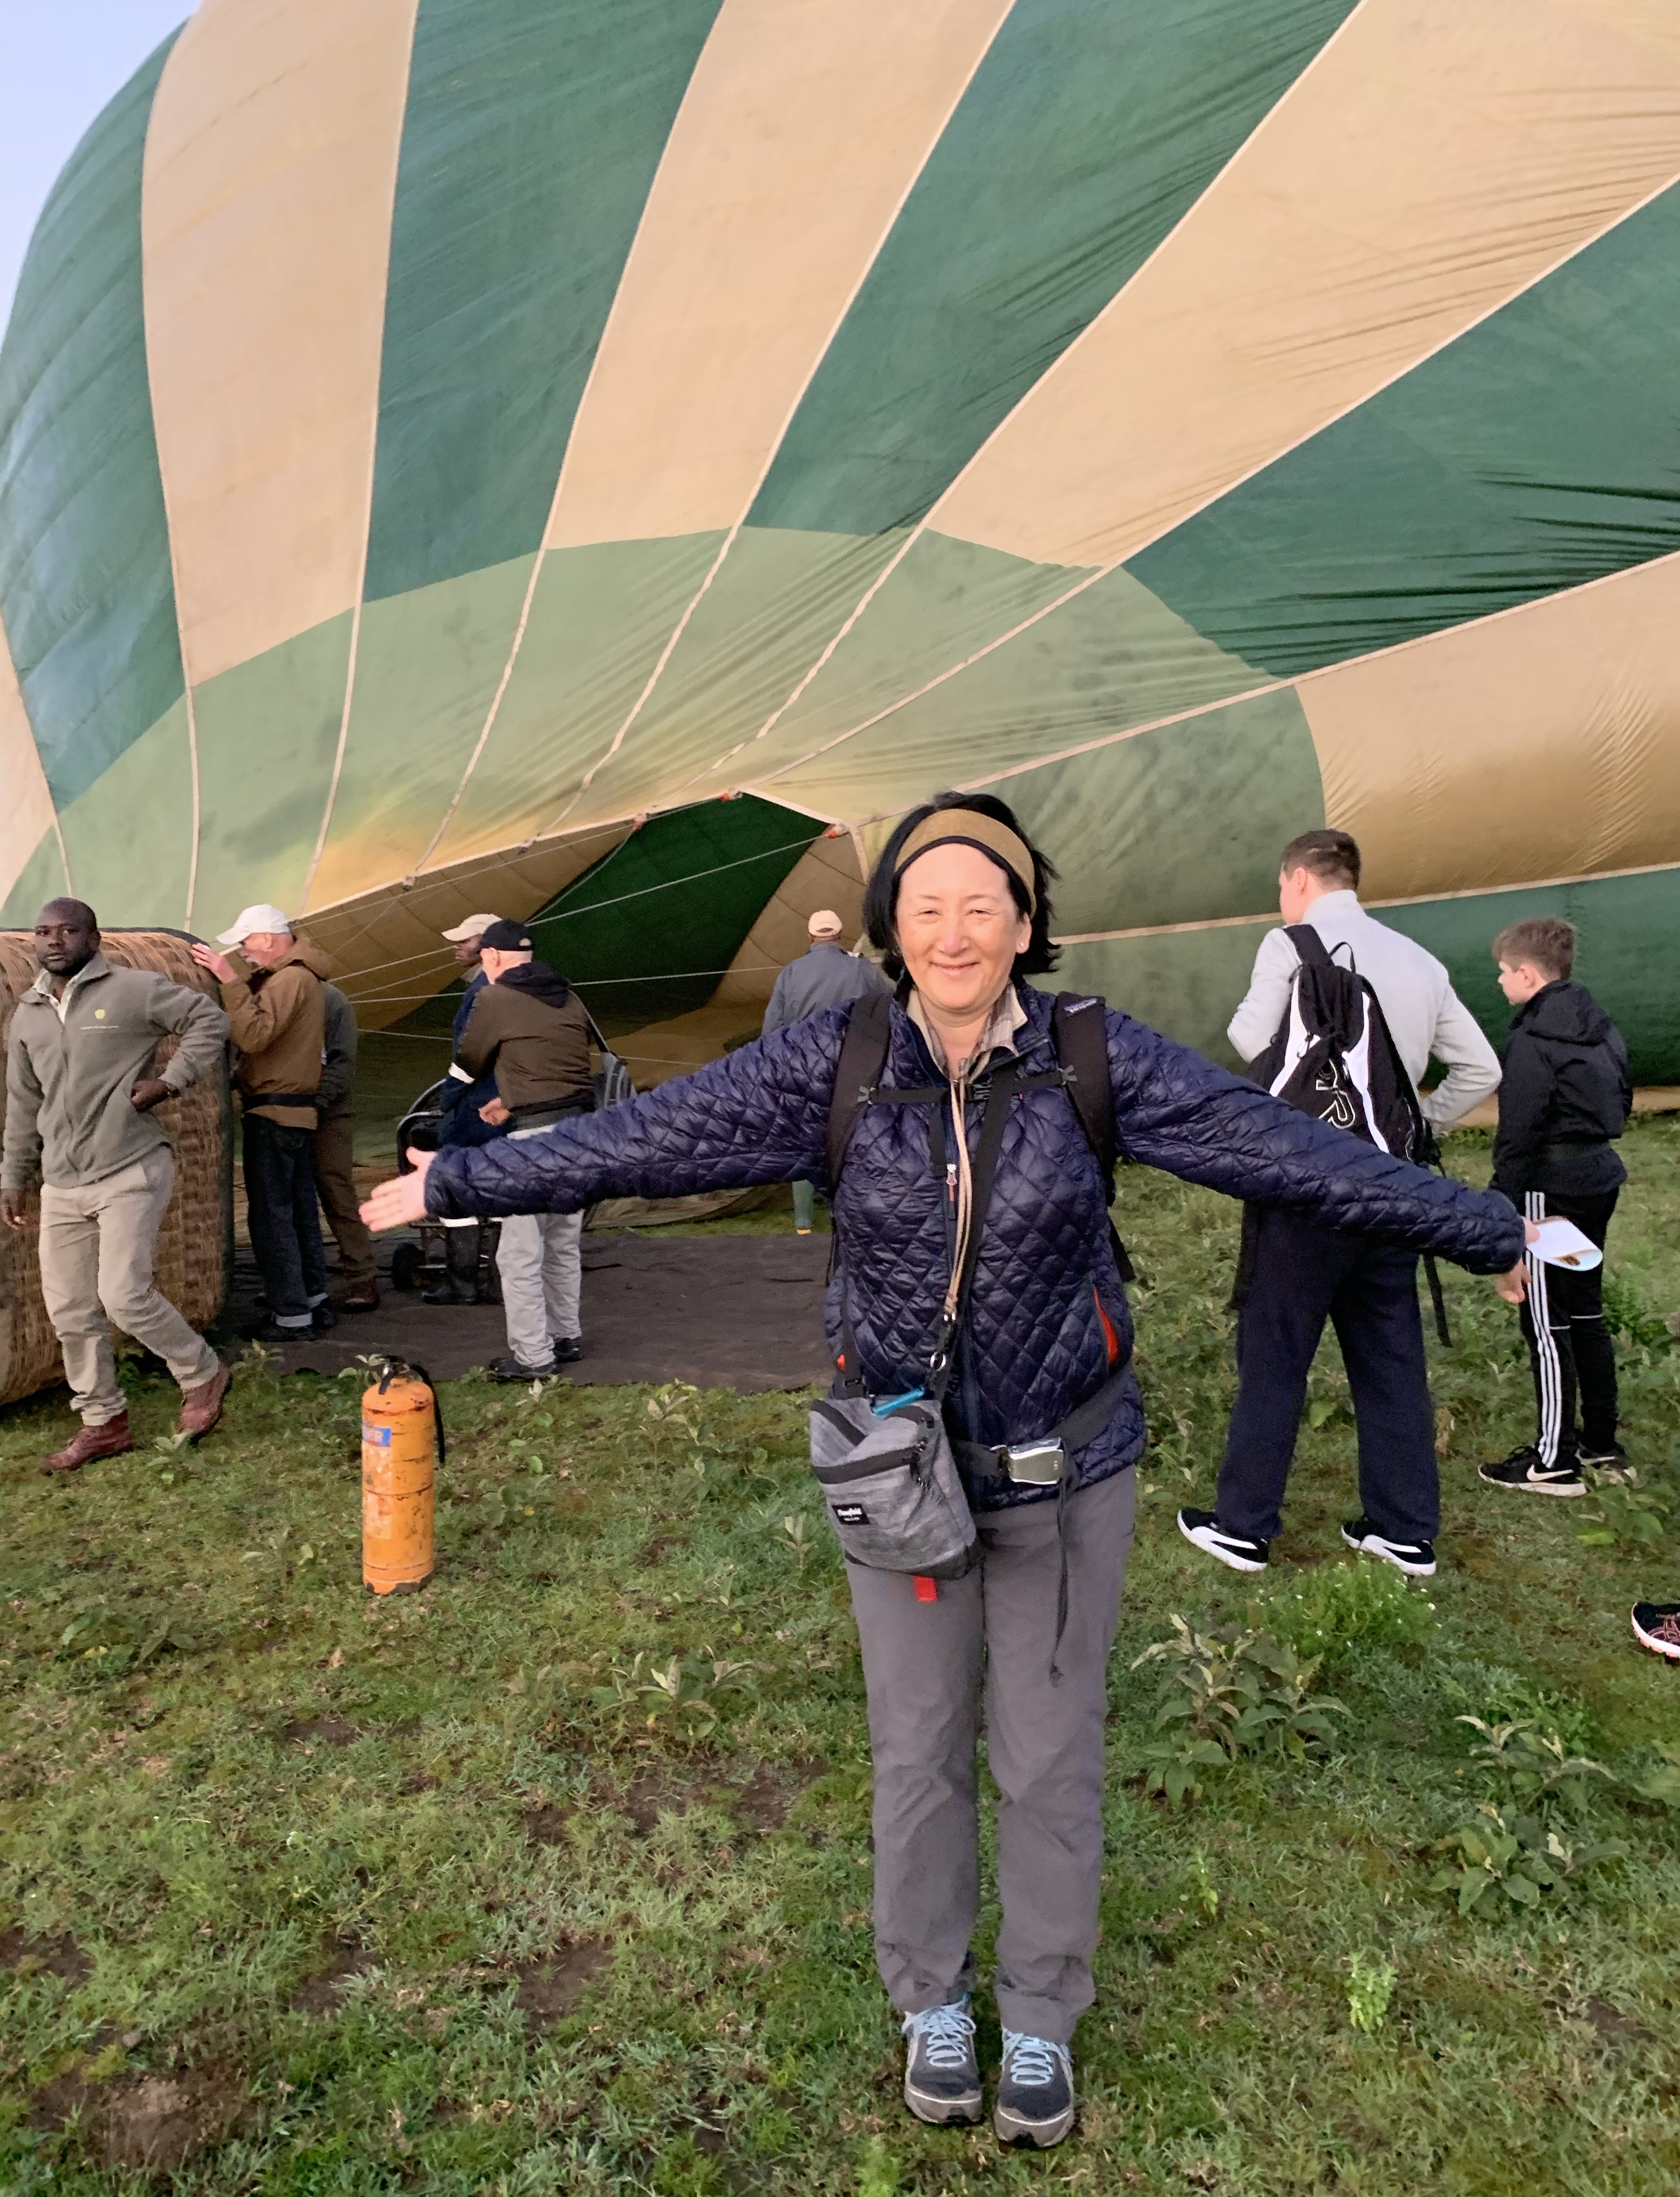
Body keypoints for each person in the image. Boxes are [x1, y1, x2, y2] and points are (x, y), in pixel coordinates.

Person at [364, 793, 1526, 2150]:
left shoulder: (1093, 1055)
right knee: (917, 1755)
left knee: (1049, 1758)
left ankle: (1039, 2016)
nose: (955, 931)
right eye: (928, 909)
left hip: (1066, 1470)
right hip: (903, 1475)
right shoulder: (840, 1059)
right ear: (893, 930)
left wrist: (1479, 1225)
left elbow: (1284, 1150)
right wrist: (464, 1182)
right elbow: (656, 1135)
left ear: (1026, 925)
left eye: (984, 906)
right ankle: (932, 2002)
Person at [1178, 828, 1504, 1580]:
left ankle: (1244, 1525)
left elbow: (1251, 1038)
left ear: (1298, 879)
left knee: (1276, 1352)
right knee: (1391, 1358)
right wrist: (1415, 1129)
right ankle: (1404, 1531)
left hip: (1307, 1185)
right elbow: (1481, 1068)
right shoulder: (1420, 960)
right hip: (1395, 1191)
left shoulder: (1290, 946)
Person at [2, 899, 232, 1471]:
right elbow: (24, 1103)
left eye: (68, 931)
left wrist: (170, 1082)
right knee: (70, 1310)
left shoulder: (132, 990)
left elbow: (209, 1020)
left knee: (124, 1295)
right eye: (44, 932)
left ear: (94, 938)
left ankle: (202, 1373)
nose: (54, 941)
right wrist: (13, 1176)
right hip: (62, 1183)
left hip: (130, 1166)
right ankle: (103, 1421)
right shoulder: (29, 1012)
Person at [1477, 917, 1631, 1499]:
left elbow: (1517, 1134)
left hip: (1550, 1188)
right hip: (1598, 1178)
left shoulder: (1531, 1040)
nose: (1499, 982)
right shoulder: (1603, 1028)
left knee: (1546, 1320)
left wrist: (1503, 1214)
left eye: (1503, 972)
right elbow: (1623, 1100)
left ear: (1527, 974)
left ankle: (1553, 1461)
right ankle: (1603, 1444)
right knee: (1585, 1309)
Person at [446, 918, 595, 1377]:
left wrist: (453, 1104)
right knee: (562, 1242)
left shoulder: (494, 997)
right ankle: (566, 1336)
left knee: (519, 1254)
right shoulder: (569, 997)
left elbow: (469, 1060)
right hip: (579, 1133)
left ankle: (534, 1357)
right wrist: (509, 1100)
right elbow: (557, 1067)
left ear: (491, 956)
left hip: (532, 1142)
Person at [191, 906, 334, 1341]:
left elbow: (254, 1036)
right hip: (294, 1113)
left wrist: (228, 980)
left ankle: (291, 1314)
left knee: (272, 1217)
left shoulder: (290, 979)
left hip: (274, 1114)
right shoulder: (302, 977)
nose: (242, 951)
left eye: (246, 942)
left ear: (268, 939)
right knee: (299, 1211)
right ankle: (312, 1299)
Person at [762, 908, 889, 1232]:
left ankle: (803, 1222)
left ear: (810, 936)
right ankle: (844, 1214)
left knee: (806, 1141)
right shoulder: (860, 968)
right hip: (852, 1068)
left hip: (805, 1069)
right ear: (840, 934)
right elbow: (891, 1004)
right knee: (850, 1139)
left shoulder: (791, 973)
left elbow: (773, 1029)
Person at [425, 913, 503, 1305]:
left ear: (487, 946)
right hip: (504, 1103)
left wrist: (449, 1099)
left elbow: (469, 1056)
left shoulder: (482, 990)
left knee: (455, 1187)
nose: (457, 947)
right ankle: (499, 1283)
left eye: (465, 941)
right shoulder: (514, 986)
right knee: (505, 1191)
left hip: (476, 1105)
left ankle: (462, 1283)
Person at [311, 982, 378, 1312]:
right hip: (282, 1109)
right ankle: (297, 1281)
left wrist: (317, 1103)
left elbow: (342, 1061)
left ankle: (362, 1275)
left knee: (336, 1191)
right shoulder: (267, 992)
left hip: (327, 1112)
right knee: (285, 1198)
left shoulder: (330, 1000)